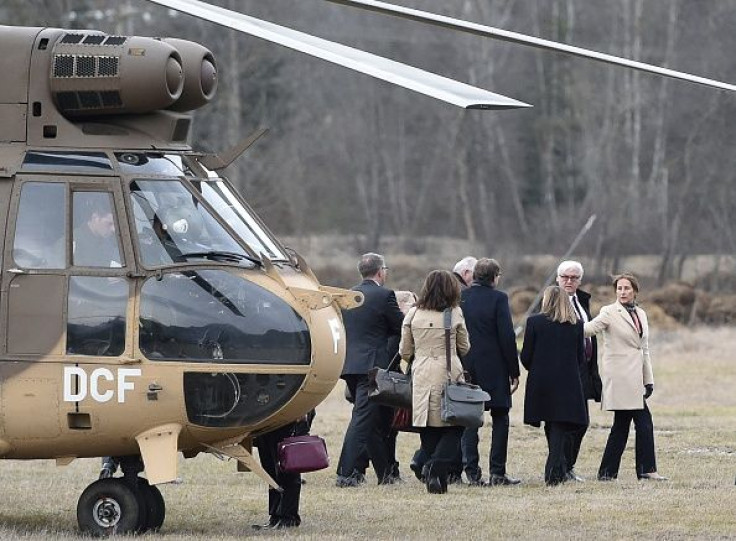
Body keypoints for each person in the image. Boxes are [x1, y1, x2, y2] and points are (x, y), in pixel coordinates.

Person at [584, 272, 668, 481]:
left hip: (635, 376)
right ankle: (646, 470)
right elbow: (589, 329)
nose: (622, 292)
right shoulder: (609, 312)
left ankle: (607, 473)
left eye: (627, 288)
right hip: (620, 376)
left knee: (621, 425)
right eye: (619, 288)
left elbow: (644, 349)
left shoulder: (641, 313)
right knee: (644, 422)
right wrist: (565, 324)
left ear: (635, 291)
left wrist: (648, 380)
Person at [336, 253, 405, 487]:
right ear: (380, 271)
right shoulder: (385, 296)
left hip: (350, 365)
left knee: (371, 420)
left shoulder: (348, 296)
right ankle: (345, 473)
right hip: (372, 367)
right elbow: (400, 325)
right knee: (362, 419)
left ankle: (385, 474)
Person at [399, 270, 470, 493]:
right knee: (455, 423)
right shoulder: (454, 312)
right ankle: (434, 467)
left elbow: (404, 350)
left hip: (421, 372)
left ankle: (436, 477)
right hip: (448, 372)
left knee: (428, 424)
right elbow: (465, 347)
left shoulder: (412, 314)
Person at [460, 258, 521, 486]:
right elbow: (506, 336)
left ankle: (472, 472)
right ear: (495, 277)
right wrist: (514, 370)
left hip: (466, 367)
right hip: (494, 368)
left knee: (468, 420)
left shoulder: (460, 297)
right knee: (500, 418)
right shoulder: (499, 298)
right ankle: (497, 472)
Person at [521, 286, 589, 485]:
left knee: (553, 423)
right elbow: (580, 357)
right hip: (568, 382)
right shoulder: (576, 324)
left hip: (541, 382)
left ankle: (554, 472)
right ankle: (555, 471)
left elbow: (526, 356)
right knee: (558, 424)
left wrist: (536, 368)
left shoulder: (534, 322)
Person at [556, 260, 602, 482]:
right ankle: (560, 467)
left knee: (582, 422)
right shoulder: (551, 303)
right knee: (564, 423)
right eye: (565, 277)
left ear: (580, 281)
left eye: (574, 277)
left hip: (584, 370)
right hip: (563, 371)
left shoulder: (582, 302)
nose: (569, 281)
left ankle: (568, 465)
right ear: (558, 279)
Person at [251, 411, 315, 530]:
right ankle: (275, 516)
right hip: (265, 415)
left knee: (287, 469)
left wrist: (303, 412)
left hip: (289, 414)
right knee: (270, 470)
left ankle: (289, 517)